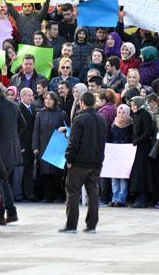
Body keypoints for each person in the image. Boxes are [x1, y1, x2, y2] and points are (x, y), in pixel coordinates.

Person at [59, 92, 107, 233]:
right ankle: (91, 225)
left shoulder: (79, 120)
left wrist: (69, 158)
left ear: (82, 103)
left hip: (79, 163)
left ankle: (71, 225)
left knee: (73, 193)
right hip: (96, 162)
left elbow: (73, 142)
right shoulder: (101, 119)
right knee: (93, 194)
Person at [0, 84, 27, 225]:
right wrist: (13, 136)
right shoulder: (13, 105)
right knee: (4, 181)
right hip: (13, 149)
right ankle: (11, 213)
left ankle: (0, 215)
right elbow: (23, 124)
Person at [33, 91, 67, 202]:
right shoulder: (40, 114)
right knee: (45, 173)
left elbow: (67, 129)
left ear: (55, 101)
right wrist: (35, 147)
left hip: (56, 147)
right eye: (46, 99)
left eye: (50, 99)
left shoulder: (61, 114)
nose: (48, 101)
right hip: (43, 146)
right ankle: (47, 196)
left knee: (56, 173)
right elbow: (36, 131)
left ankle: (58, 195)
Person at [129, 96, 155, 208]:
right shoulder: (135, 115)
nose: (133, 107)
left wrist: (138, 141)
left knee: (142, 173)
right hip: (137, 147)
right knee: (137, 173)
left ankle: (142, 198)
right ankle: (139, 197)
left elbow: (148, 131)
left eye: (135, 104)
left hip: (143, 148)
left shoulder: (144, 114)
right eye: (132, 105)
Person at [110, 104, 133, 207]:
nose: (121, 115)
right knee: (114, 176)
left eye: (124, 112)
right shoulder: (113, 124)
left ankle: (121, 199)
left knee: (123, 177)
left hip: (125, 152)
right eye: (119, 112)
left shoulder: (131, 124)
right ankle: (114, 198)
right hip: (115, 152)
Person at [18, 88, 37, 201]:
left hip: (31, 143)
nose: (31, 98)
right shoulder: (18, 109)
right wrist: (20, 145)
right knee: (23, 170)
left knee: (29, 169)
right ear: (22, 96)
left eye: (32, 95)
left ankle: (29, 192)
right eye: (29, 95)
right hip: (24, 144)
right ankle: (23, 193)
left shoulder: (33, 109)